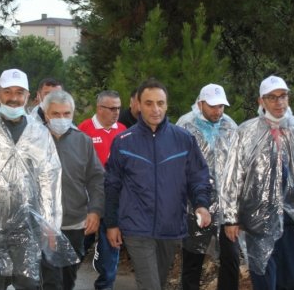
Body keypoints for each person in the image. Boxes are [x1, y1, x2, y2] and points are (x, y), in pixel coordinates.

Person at [0, 68, 76, 289]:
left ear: (28, 96)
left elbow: (49, 180)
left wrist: (51, 223)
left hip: (28, 226)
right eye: (7, 91)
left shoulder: (39, 133)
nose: (13, 97)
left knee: (28, 282)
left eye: (19, 92)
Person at [222, 75, 294, 289]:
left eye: (283, 96)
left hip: (292, 218)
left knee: (290, 280)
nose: (278, 102)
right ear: (261, 101)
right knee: (263, 277)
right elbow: (232, 176)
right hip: (257, 220)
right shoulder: (246, 133)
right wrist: (230, 218)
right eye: (272, 97)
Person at [104, 79, 212, 290]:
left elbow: (198, 176)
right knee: (151, 285)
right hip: (136, 227)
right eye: (149, 103)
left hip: (170, 226)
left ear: (166, 105)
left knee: (158, 283)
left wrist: (201, 204)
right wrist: (111, 223)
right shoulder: (123, 141)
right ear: (138, 105)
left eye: (160, 103)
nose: (155, 109)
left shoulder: (183, 139)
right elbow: (112, 185)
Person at [176, 84, 240, 290]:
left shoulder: (230, 125)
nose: (218, 111)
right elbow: (176, 166)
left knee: (231, 257)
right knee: (193, 258)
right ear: (200, 103)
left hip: (225, 204)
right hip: (195, 203)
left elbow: (238, 163)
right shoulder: (185, 126)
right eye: (213, 106)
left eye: (221, 106)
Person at [40, 90, 105, 290]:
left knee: (67, 280)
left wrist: (95, 210)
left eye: (66, 114)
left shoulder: (82, 141)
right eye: (56, 114)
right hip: (41, 226)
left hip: (75, 225)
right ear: (45, 114)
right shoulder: (33, 140)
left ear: (72, 114)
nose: (61, 118)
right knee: (51, 282)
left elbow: (96, 178)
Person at [77, 90, 126, 290]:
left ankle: (105, 286)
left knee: (111, 250)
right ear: (99, 108)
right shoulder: (84, 130)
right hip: (88, 203)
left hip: (114, 202)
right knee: (78, 247)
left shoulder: (122, 130)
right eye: (111, 108)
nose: (116, 112)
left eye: (118, 108)